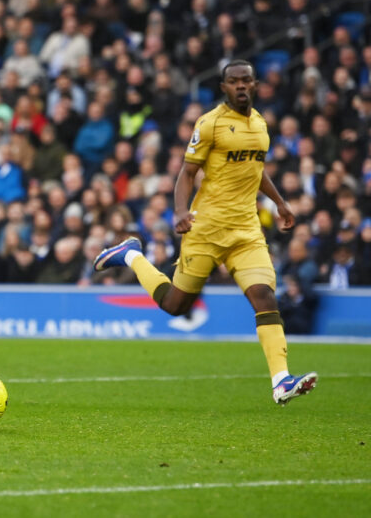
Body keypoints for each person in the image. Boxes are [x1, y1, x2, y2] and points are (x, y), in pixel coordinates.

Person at [93, 60, 317, 406]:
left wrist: (280, 203)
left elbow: (255, 170)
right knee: (175, 305)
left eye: (246, 81)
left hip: (246, 230)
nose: (241, 86)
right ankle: (132, 255)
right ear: (224, 86)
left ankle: (281, 380)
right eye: (234, 81)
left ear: (254, 84)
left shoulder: (260, 124)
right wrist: (181, 211)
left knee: (264, 296)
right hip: (206, 229)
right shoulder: (210, 123)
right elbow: (186, 172)